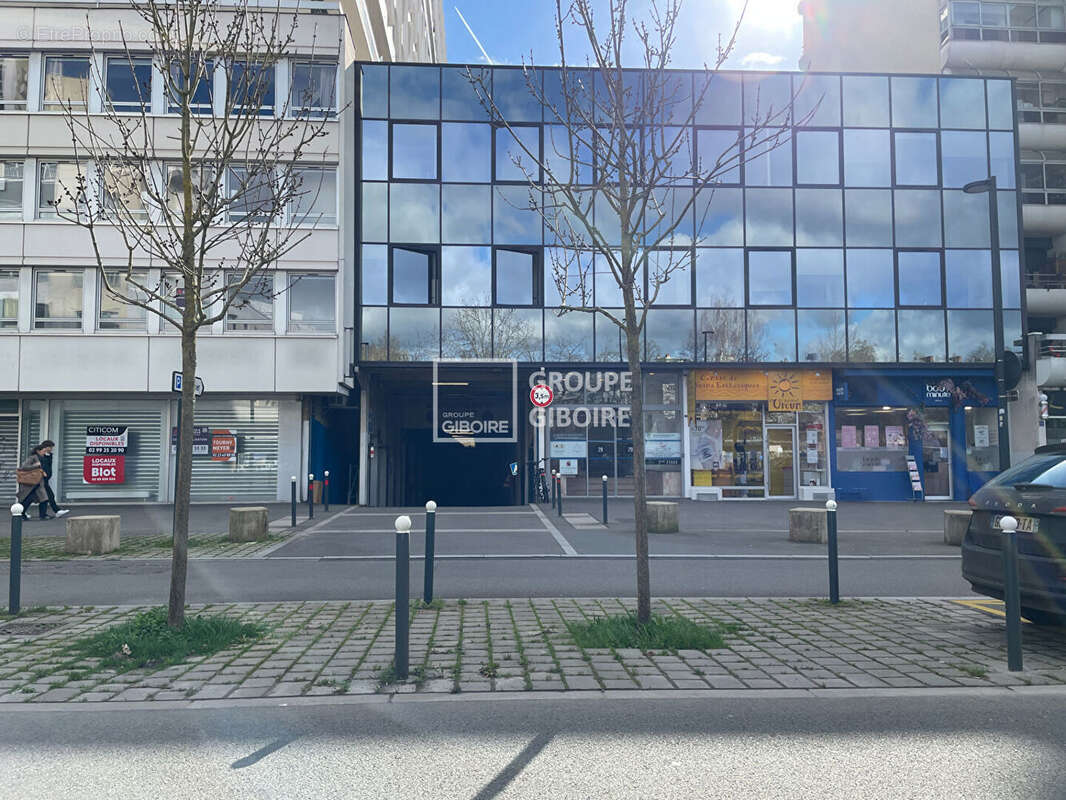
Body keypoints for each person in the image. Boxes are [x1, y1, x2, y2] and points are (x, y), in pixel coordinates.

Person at [34, 441, 69, 520]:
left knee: (45, 497)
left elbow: (49, 465)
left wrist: (48, 456)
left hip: (44, 480)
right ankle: (49, 513)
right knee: (44, 497)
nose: (51, 449)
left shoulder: (48, 455)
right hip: (40, 480)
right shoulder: (38, 456)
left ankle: (53, 512)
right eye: (50, 447)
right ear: (46, 447)